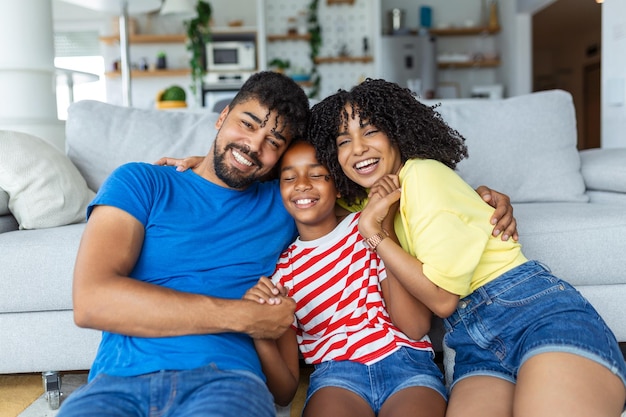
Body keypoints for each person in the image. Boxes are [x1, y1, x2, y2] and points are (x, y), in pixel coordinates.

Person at [307, 78, 626, 417]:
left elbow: (443, 300)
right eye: (344, 141)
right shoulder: (375, 198)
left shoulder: (422, 176)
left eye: (370, 132)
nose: (357, 148)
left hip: (535, 315)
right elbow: (313, 204)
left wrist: (374, 233)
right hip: (476, 344)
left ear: (397, 134)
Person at [58, 71, 311, 417]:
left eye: (273, 142)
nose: (254, 146)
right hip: (119, 381)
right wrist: (245, 316)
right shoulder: (140, 181)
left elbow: (356, 181)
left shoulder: (285, 203)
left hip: (226, 382)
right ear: (221, 117)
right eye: (247, 125)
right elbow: (92, 301)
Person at [243, 140, 447, 417]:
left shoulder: (367, 225)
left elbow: (414, 326)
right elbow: (284, 392)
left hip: (406, 363)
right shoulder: (283, 273)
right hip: (337, 378)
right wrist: (260, 331)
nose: (302, 184)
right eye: (289, 177)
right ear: (279, 191)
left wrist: (382, 227)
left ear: (338, 186)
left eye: (316, 174)